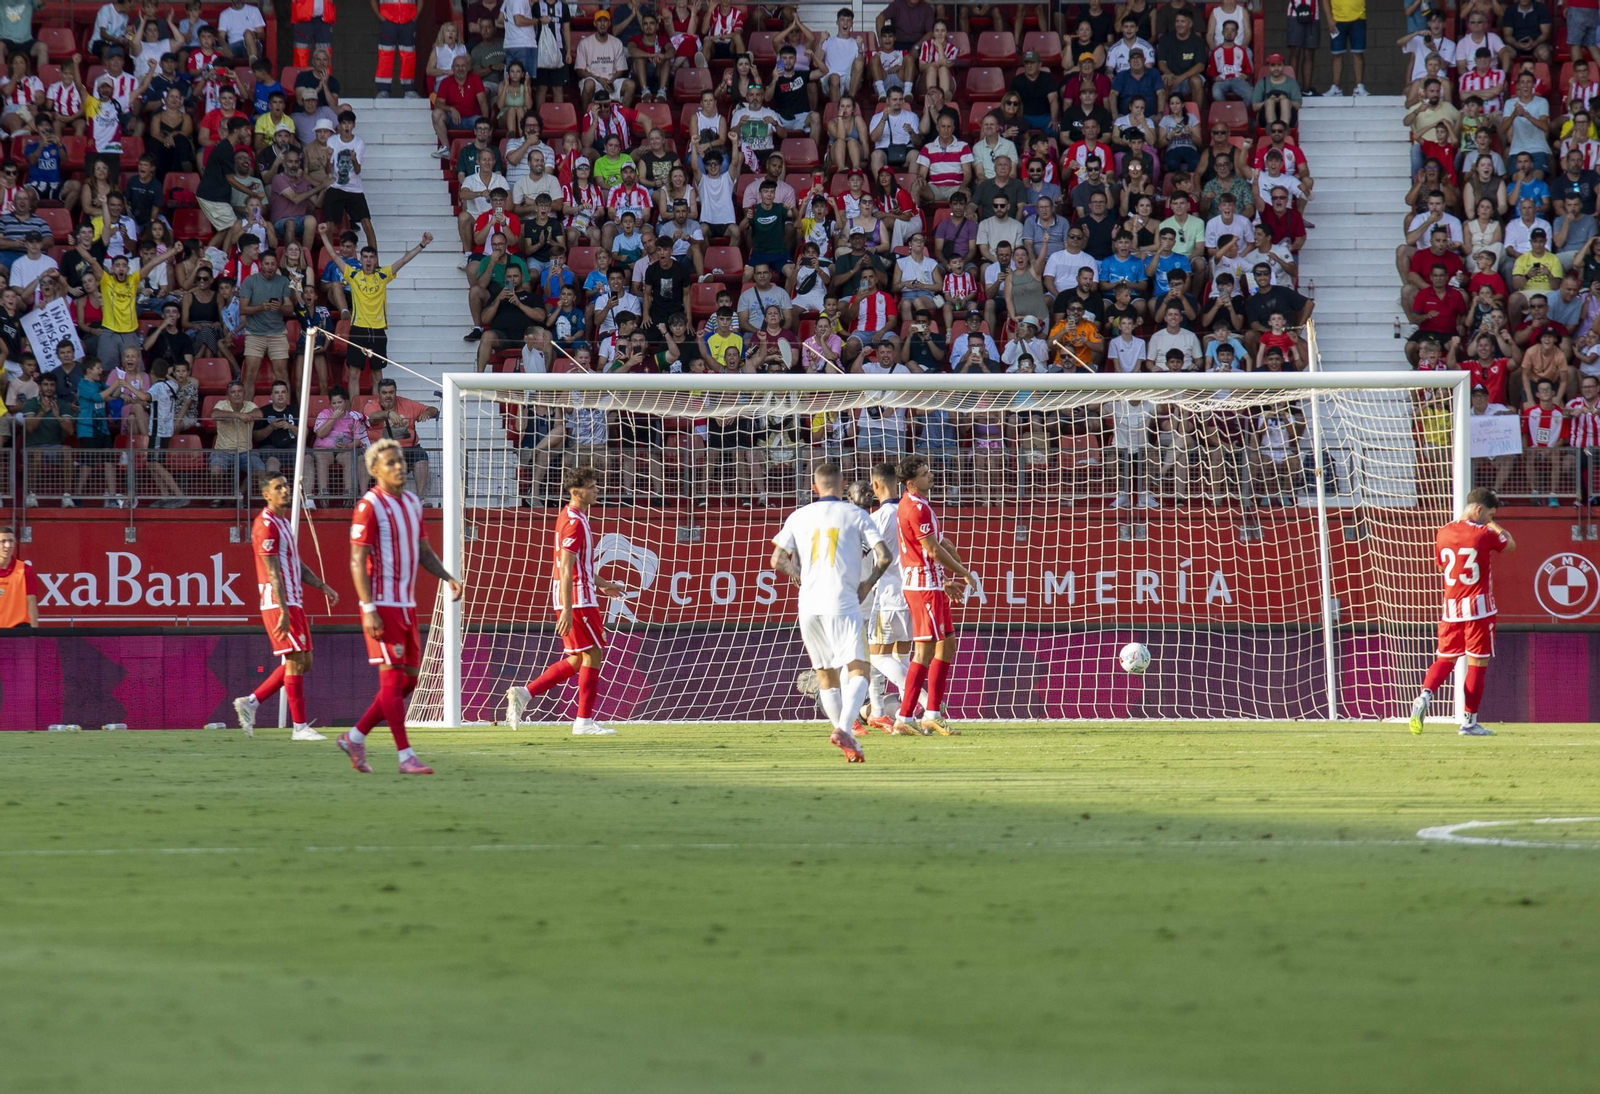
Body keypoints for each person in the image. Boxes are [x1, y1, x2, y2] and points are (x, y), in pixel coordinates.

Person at [341, 438, 463, 775]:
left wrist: (447, 576)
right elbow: (356, 560)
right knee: (393, 682)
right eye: (391, 462)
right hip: (382, 603)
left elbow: (423, 550)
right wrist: (368, 608)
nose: (399, 467)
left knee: (409, 683)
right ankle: (405, 755)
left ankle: (355, 736)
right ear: (374, 470)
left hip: (408, 606)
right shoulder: (369, 506)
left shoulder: (411, 501)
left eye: (400, 461)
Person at [769, 462, 893, 762]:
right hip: (843, 601)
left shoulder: (799, 515)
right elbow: (884, 556)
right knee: (859, 668)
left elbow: (776, 560)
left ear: (815, 487)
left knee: (826, 675)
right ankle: (843, 728)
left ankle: (845, 734)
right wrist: (867, 584)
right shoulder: (856, 514)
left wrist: (799, 572)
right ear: (842, 486)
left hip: (809, 604)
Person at [504, 464, 627, 735]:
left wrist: (604, 585)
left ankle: (525, 693)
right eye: (591, 487)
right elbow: (565, 567)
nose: (597, 490)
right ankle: (583, 722)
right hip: (578, 598)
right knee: (593, 653)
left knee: (575, 659)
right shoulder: (574, 523)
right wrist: (568, 611)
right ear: (576, 491)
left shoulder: (572, 516)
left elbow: (579, 565)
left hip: (580, 593)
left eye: (596, 485)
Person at [231, 473, 341, 741]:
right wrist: (282, 609)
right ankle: (299, 727)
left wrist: (321, 585)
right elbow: (272, 571)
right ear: (266, 494)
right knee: (294, 661)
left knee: (305, 662)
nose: (284, 490)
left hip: (293, 599)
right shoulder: (265, 525)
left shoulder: (282, 523)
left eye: (286, 485)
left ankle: (251, 702)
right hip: (277, 601)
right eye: (278, 487)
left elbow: (294, 563)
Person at [1409, 487, 1514, 736]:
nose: (1489, 519)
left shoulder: (1442, 532)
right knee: (1477, 664)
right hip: (1479, 609)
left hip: (1450, 608)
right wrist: (1494, 525)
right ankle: (1469, 722)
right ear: (1479, 510)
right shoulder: (1484, 533)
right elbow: (1510, 545)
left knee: (1445, 659)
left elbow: (1441, 567)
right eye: (1489, 514)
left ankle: (1425, 694)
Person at [892, 454, 976, 737]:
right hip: (922, 587)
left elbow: (938, 545)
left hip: (932, 584)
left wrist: (946, 581)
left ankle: (932, 714)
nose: (931, 476)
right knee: (924, 651)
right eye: (926, 473)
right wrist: (965, 572)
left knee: (947, 646)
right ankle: (904, 717)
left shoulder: (919, 504)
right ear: (911, 483)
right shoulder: (915, 508)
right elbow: (933, 551)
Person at [317, 223, 432, 395]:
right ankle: (355, 413)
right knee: (354, 373)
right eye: (365, 257)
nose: (369, 260)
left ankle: (376, 413)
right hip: (358, 328)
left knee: (377, 374)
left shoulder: (382, 275)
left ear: (375, 260)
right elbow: (333, 255)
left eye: (372, 257)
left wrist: (422, 244)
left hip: (378, 330)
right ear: (360, 259)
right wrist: (324, 236)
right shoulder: (353, 274)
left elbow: (404, 260)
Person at [0, 526, 39, 629]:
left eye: (11, 541)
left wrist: (35, 634)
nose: (8, 546)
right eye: (3, 541)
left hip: (19, 632)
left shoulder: (25, 569)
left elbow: (31, 603)